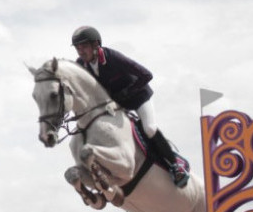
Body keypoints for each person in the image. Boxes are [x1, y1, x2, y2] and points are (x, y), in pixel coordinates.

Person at [71, 25, 189, 187]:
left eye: (83, 46)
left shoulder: (112, 57)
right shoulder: (81, 65)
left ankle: (175, 166)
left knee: (149, 128)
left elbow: (147, 75)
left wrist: (126, 93)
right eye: (77, 48)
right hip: (117, 104)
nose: (80, 51)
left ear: (95, 45)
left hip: (139, 97)